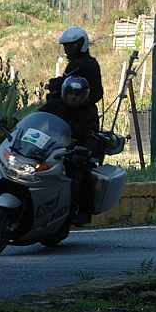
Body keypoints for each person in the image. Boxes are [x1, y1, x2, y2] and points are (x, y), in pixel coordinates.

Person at [41, 76, 101, 227]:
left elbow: (92, 134)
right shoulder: (54, 105)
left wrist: (86, 151)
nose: (73, 97)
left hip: (74, 154)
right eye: (70, 93)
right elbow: (37, 117)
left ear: (83, 95)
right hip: (49, 149)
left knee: (77, 179)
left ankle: (80, 212)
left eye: (77, 94)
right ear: (64, 92)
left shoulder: (89, 111)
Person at [47, 26, 103, 119]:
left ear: (82, 44)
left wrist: (54, 84)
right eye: (67, 47)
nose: (69, 50)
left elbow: (64, 86)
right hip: (87, 110)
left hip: (74, 112)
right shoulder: (92, 62)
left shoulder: (76, 64)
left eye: (72, 46)